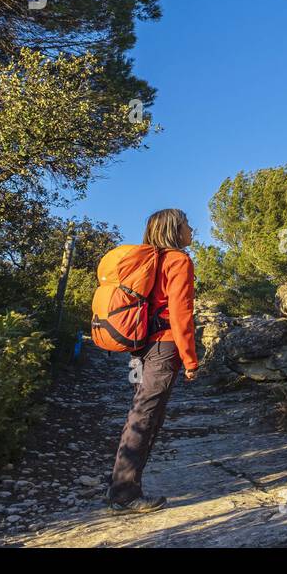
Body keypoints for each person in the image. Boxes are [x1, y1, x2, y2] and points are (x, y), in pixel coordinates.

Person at [107, 208, 200, 513]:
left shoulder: (149, 260)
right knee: (145, 415)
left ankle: (125, 486)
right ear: (174, 230)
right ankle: (124, 493)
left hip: (144, 343)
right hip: (165, 346)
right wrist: (190, 360)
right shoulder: (179, 260)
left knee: (146, 412)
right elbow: (181, 313)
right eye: (186, 224)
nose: (191, 229)